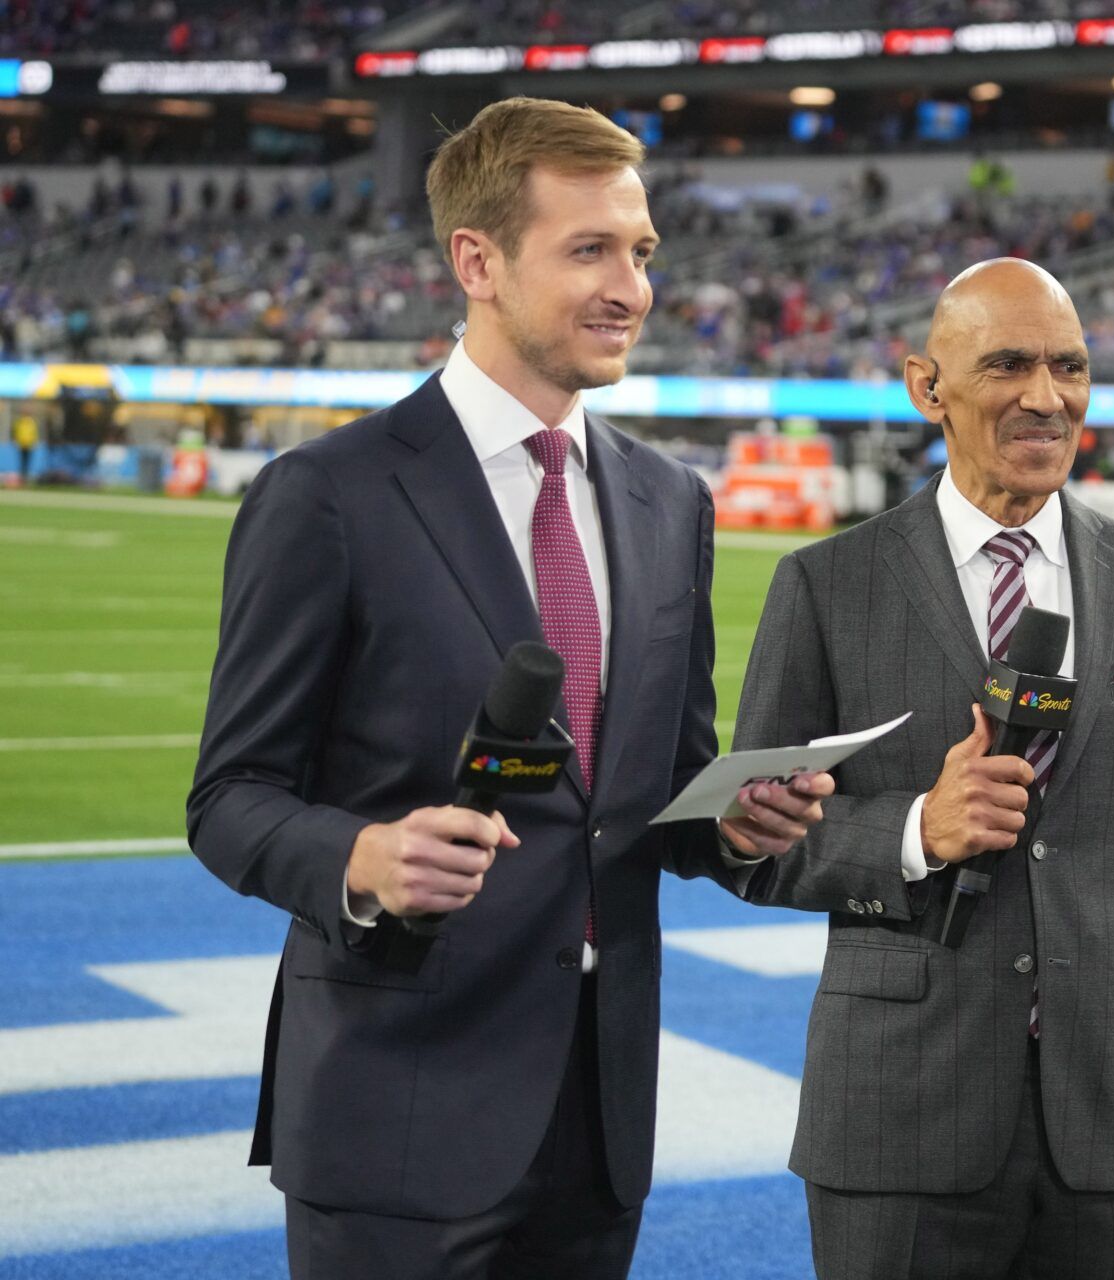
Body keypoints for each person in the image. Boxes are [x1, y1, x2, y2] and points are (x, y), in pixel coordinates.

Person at [186, 97, 829, 1280]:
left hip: (597, 1108)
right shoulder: (329, 493)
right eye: (588, 249)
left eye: (640, 251)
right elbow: (231, 794)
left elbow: (653, 789)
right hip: (396, 1105)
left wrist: (735, 821)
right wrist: (361, 859)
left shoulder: (668, 499)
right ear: (475, 261)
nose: (631, 287)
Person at [731, 258, 1114, 1280]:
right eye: (1010, 364)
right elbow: (750, 839)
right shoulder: (825, 584)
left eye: (1069, 366)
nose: (1046, 395)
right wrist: (910, 830)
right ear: (925, 385)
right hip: (900, 1112)